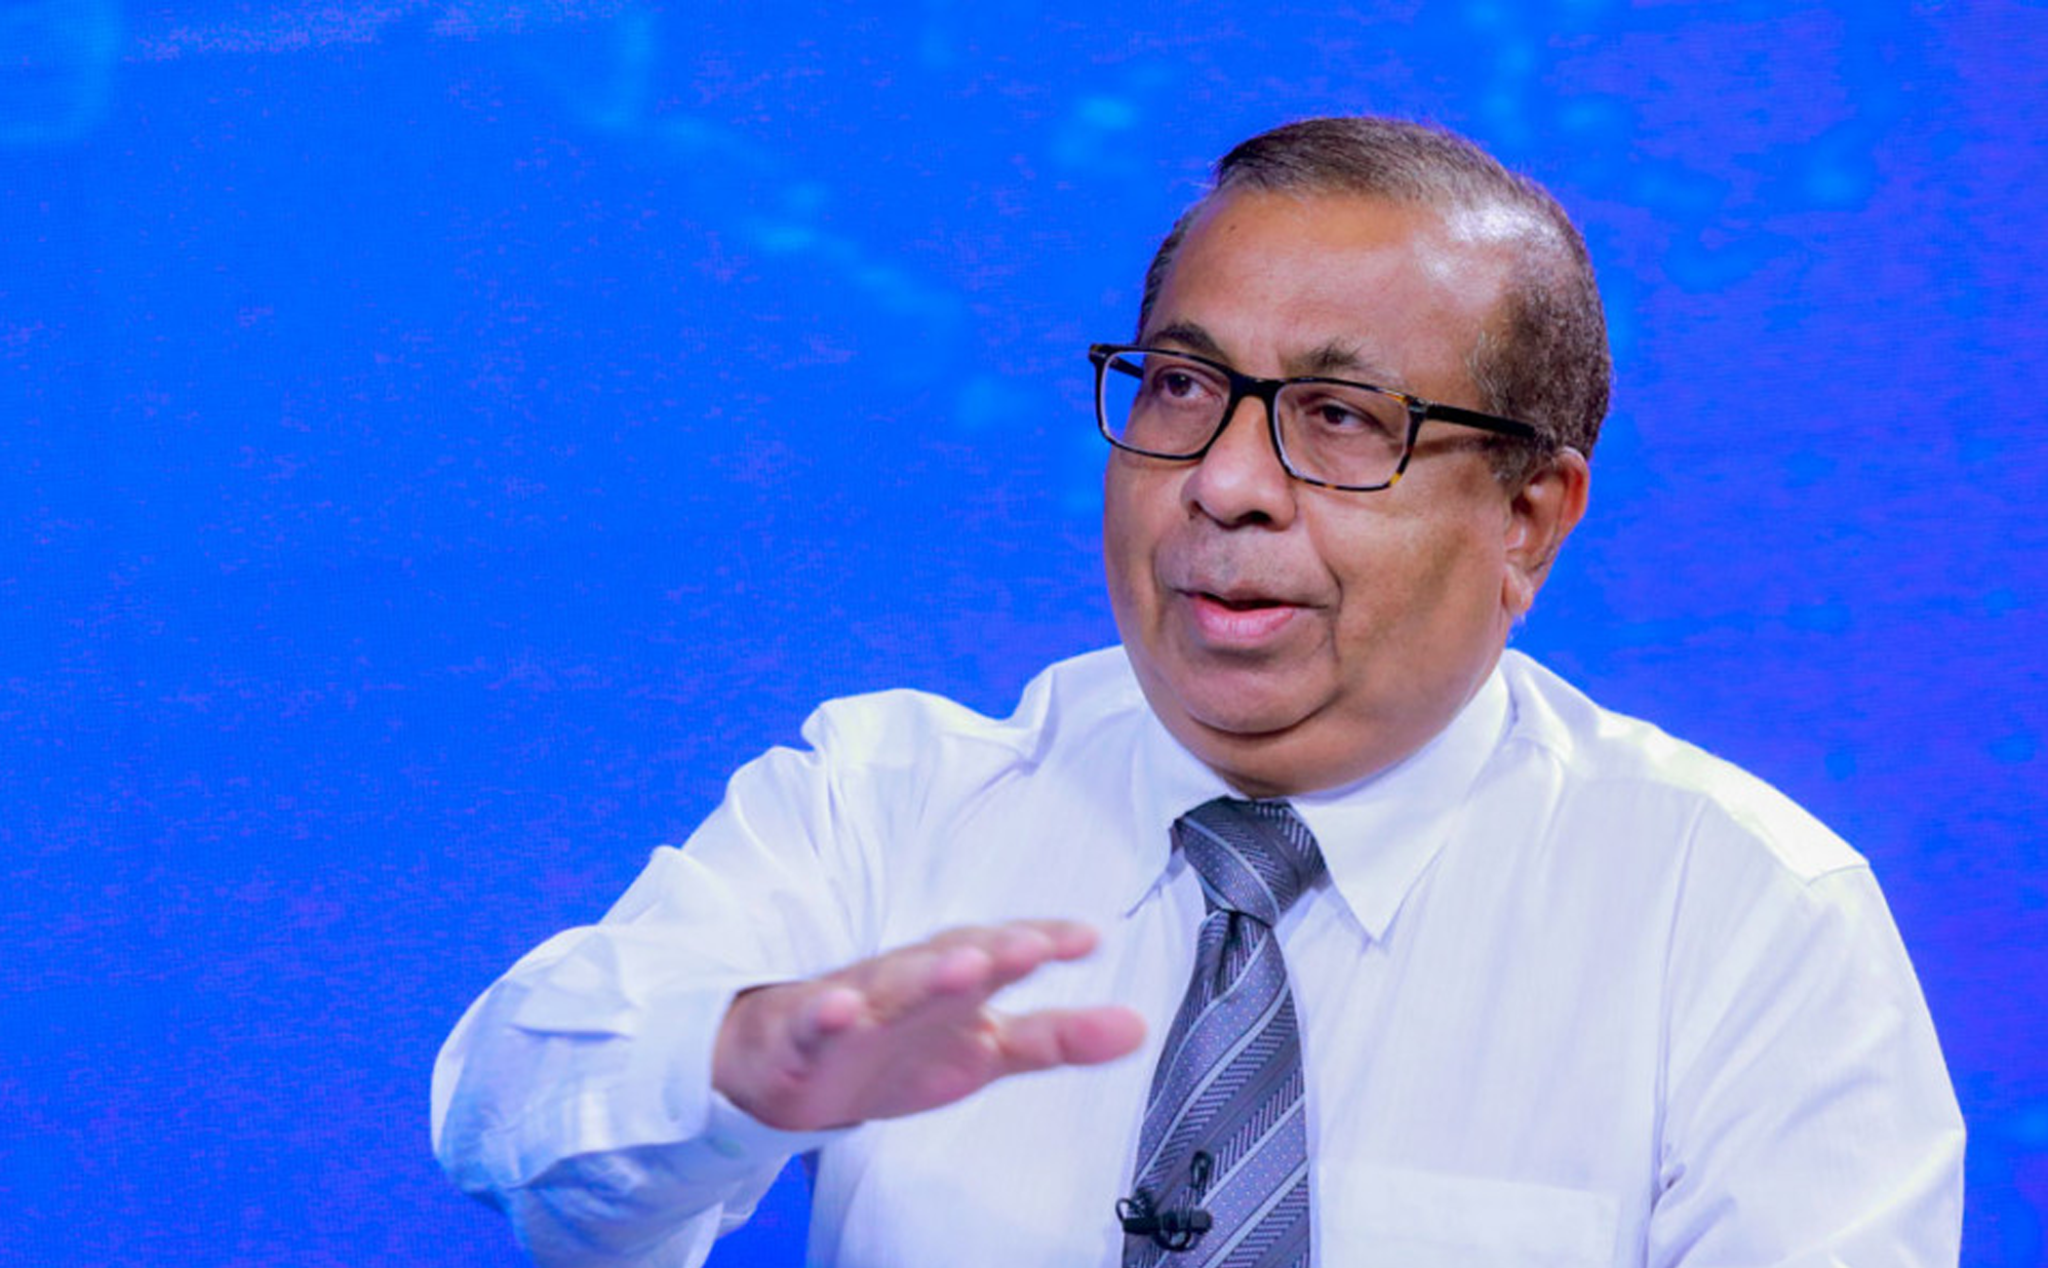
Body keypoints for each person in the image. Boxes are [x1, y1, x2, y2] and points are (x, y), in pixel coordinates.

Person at [431, 116, 1963, 1267]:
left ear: (1528, 518)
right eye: (1182, 386)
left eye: (1341, 417)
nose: (1225, 482)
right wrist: (741, 1064)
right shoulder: (889, 804)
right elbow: (510, 1115)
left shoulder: (1741, 917)